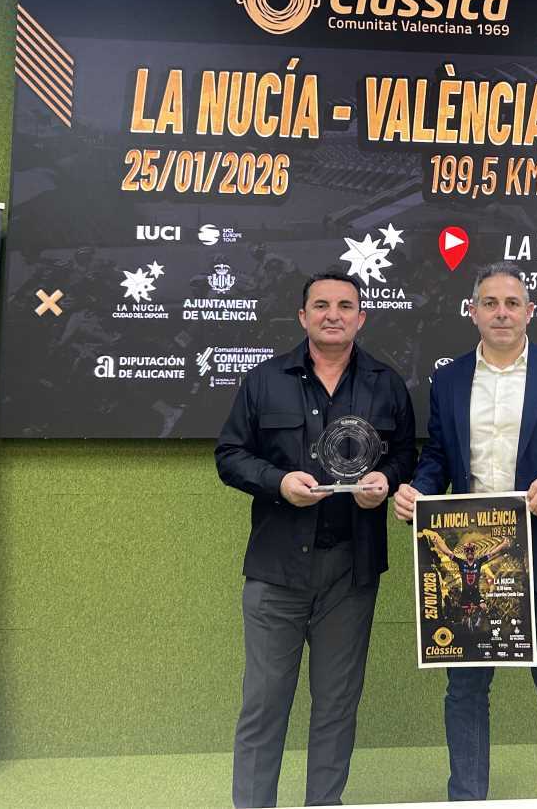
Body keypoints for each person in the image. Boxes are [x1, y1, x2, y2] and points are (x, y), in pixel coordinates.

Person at [394, 262, 537, 800]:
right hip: (473, 562)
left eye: (511, 303)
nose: (501, 313)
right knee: (465, 690)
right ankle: (467, 800)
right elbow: (438, 456)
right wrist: (418, 489)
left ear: (529, 312)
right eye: (489, 303)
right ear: (472, 312)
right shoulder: (449, 379)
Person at [215, 269, 417, 809]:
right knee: (264, 705)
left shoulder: (386, 384)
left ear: (361, 317)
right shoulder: (264, 380)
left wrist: (386, 481)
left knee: (336, 706)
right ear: (303, 315)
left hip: (350, 573)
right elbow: (230, 456)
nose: (333, 315)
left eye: (345, 306)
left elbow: (406, 456)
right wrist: (278, 482)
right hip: (276, 572)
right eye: (322, 305)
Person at [422, 532, 512, 633]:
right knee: (462, 616)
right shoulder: (461, 562)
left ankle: (477, 628)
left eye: (471, 551)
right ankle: (464, 629)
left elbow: (493, 552)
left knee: (484, 608)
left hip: (476, 594)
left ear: (474, 552)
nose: (470, 552)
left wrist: (503, 544)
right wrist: (438, 544)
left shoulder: (479, 562)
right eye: (468, 551)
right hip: (465, 594)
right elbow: (448, 552)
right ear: (465, 553)